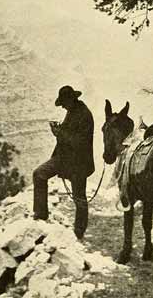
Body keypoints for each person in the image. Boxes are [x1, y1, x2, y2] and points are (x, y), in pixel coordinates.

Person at [33, 85, 95, 239]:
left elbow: (80, 142)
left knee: (79, 197)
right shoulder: (73, 111)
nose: (63, 107)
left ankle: (79, 232)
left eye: (64, 103)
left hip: (79, 162)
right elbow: (70, 135)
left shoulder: (85, 115)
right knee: (39, 174)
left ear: (71, 100)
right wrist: (60, 131)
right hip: (63, 158)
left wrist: (59, 133)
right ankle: (41, 214)